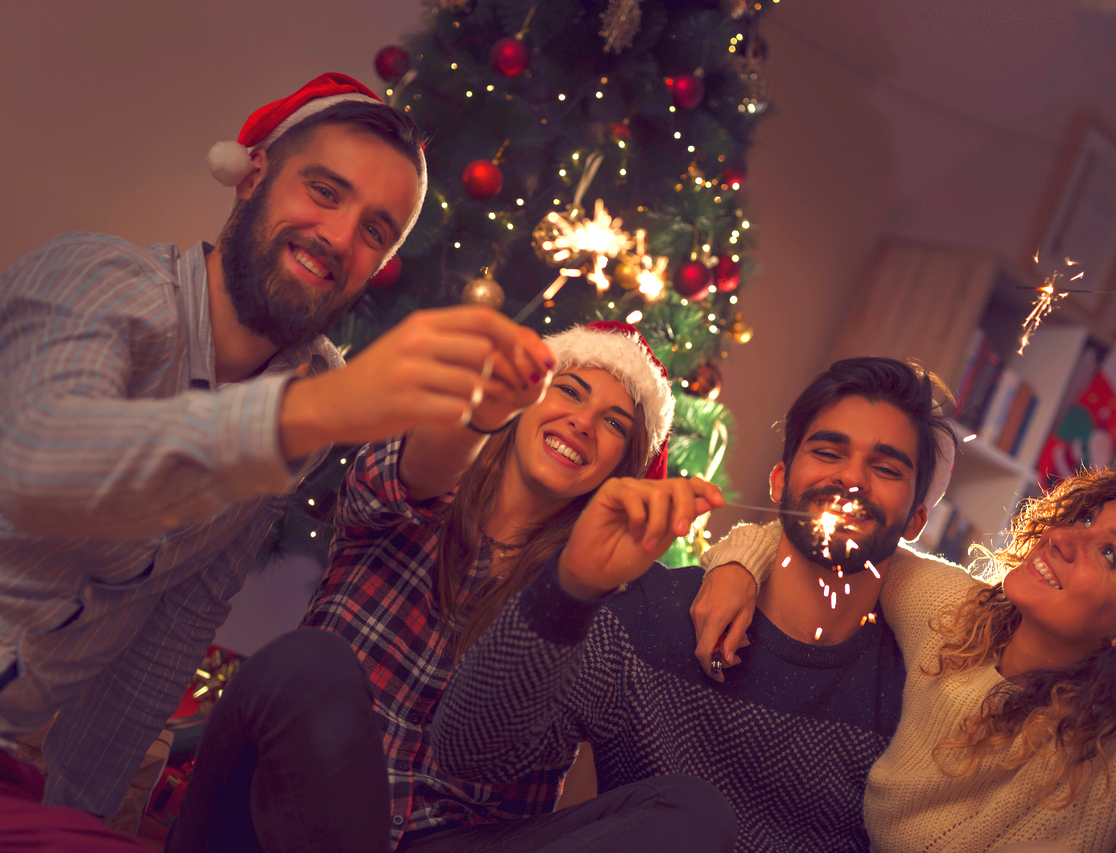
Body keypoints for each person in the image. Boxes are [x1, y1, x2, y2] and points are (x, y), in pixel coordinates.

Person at [0, 71, 555, 821]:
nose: (338, 238)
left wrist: (79, 817)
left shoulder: (310, 379)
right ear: (253, 171)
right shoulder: (96, 279)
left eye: (375, 230)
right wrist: (309, 411)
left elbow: (178, 616)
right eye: (324, 192)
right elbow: (36, 459)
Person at [695, 265, 1116, 852]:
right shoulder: (958, 622)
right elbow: (849, 533)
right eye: (1083, 520)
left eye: (1108, 553)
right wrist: (736, 565)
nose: (1065, 540)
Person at [167, 321, 737, 853]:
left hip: (455, 838)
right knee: (308, 663)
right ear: (523, 401)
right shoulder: (417, 489)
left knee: (691, 809)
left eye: (616, 423)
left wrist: (743, 562)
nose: (584, 423)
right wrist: (477, 410)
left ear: (624, 469)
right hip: (287, 816)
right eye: (570, 391)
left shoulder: (601, 600)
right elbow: (421, 462)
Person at [429, 357, 960, 852]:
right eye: (828, 452)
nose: (851, 479)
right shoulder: (651, 616)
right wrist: (567, 587)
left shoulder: (916, 693)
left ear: (915, 521)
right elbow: (467, 753)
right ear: (778, 481)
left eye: (887, 469)